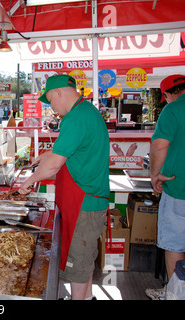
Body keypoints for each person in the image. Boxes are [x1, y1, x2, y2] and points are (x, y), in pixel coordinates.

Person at [19, 74, 110, 300]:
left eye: (50, 101)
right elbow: (70, 150)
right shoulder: (85, 112)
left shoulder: (75, 118)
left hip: (84, 202)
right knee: (84, 259)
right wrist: (47, 154)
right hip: (87, 200)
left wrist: (28, 183)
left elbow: (54, 167)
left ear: (58, 92)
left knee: (77, 261)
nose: (52, 108)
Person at [145, 74, 185, 300]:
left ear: (168, 94)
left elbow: (159, 146)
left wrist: (155, 175)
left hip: (179, 188)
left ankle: (174, 293)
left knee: (175, 244)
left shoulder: (173, 110)